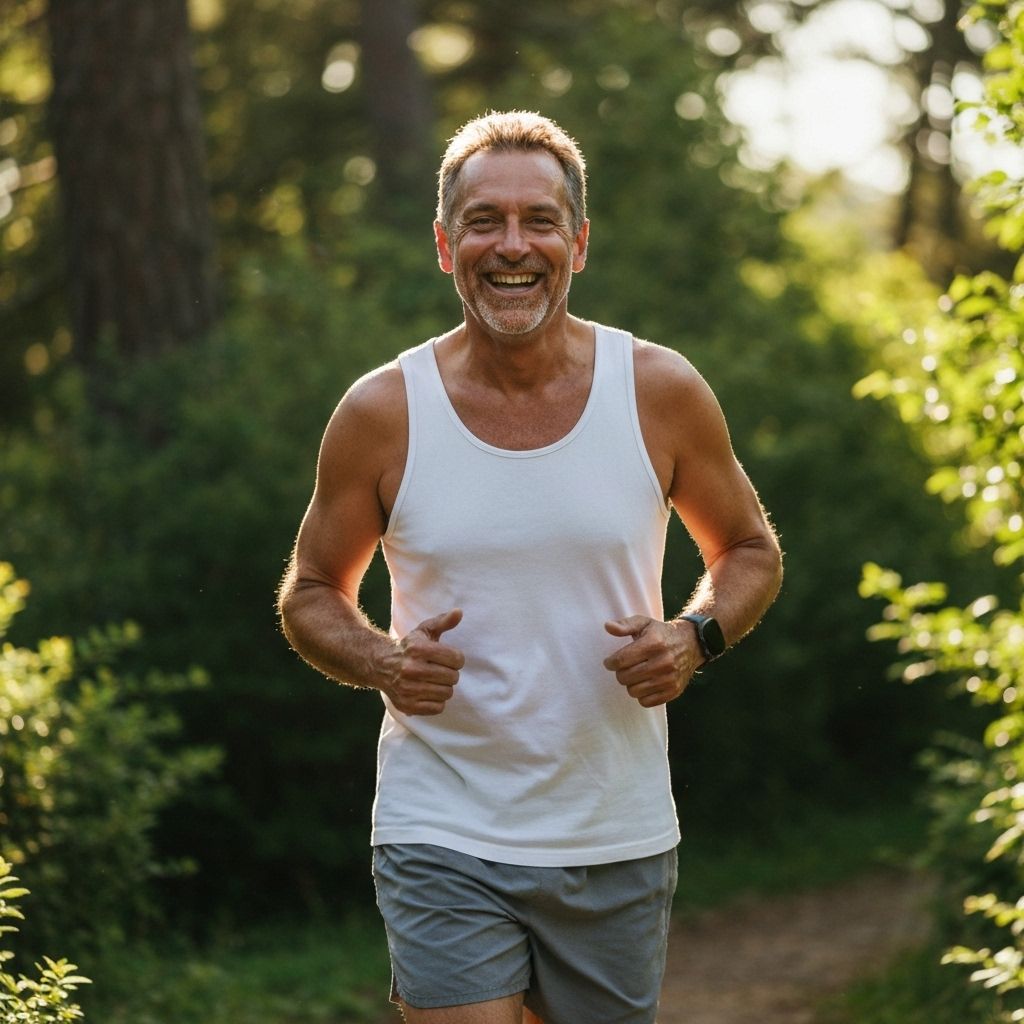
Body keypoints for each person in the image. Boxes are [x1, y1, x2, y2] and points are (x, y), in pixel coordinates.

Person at [277, 110, 783, 1024]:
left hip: (612, 827)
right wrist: (380, 660)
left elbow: (748, 549)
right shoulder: (382, 412)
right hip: (443, 821)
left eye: (539, 220)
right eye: (484, 222)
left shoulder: (660, 390)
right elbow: (310, 592)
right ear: (445, 244)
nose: (513, 245)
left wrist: (695, 634)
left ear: (578, 243)